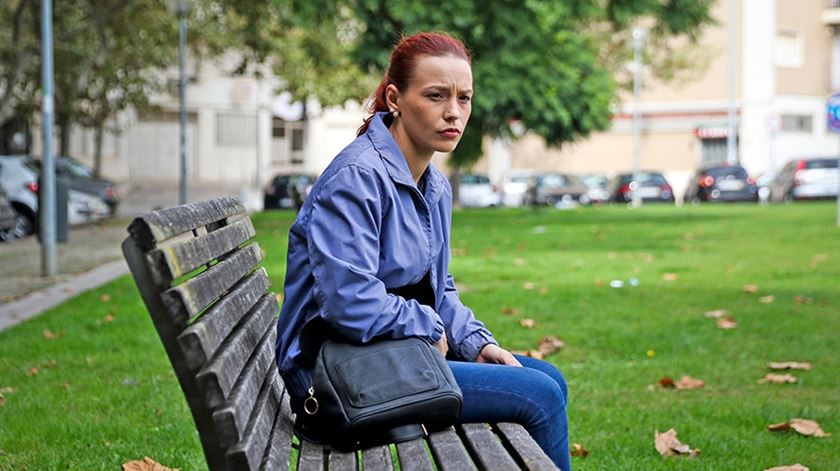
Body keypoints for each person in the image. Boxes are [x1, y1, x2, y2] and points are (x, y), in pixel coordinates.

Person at [274, 31, 570, 470]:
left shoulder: (432, 185)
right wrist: (428, 326)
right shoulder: (355, 180)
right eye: (436, 96)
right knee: (539, 396)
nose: (454, 112)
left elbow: (438, 287)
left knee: (548, 377)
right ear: (394, 98)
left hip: (378, 356)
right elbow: (349, 304)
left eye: (464, 98)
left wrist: (476, 343)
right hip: (331, 378)